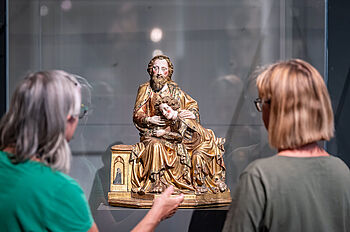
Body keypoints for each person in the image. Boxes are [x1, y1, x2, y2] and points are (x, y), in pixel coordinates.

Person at [0, 70, 184, 232]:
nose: (82, 119)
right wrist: (157, 213)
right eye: (81, 111)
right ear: (66, 117)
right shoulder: (60, 190)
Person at [222, 59, 350, 231]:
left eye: (261, 103)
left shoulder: (259, 177)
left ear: (277, 110)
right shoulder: (342, 172)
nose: (259, 113)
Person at [131, 55, 200, 194]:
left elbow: (193, 105)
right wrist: (149, 120)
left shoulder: (174, 90)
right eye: (156, 68)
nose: (159, 72)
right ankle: (156, 182)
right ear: (151, 70)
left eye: (163, 69)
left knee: (184, 148)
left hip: (173, 135)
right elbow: (137, 114)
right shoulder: (145, 89)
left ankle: (175, 184)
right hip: (152, 134)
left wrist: (191, 113)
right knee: (156, 146)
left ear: (169, 72)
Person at [152, 95, 227, 195]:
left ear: (173, 106)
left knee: (197, 157)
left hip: (204, 143)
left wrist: (163, 133)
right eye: (162, 112)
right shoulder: (173, 121)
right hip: (190, 145)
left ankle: (203, 184)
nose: (165, 113)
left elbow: (179, 136)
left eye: (166, 109)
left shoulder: (183, 118)